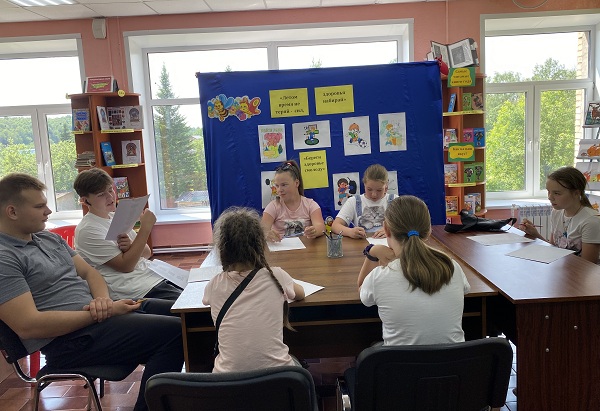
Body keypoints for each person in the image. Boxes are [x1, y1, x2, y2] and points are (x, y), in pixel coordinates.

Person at [0, 173, 183, 411]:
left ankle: (201, 392)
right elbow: (29, 326)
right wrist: (103, 312)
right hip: (70, 341)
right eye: (39, 206)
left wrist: (103, 301)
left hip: (98, 318)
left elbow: (89, 273)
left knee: (187, 314)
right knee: (176, 332)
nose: (48, 211)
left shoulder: (48, 239)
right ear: (12, 212)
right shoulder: (5, 258)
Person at [202, 207, 305, 372]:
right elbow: (300, 293)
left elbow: (205, 300)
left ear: (222, 249)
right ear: (261, 244)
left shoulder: (215, 284)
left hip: (227, 382)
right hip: (277, 379)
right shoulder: (276, 275)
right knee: (298, 366)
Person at [357, 195, 470, 345]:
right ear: (428, 230)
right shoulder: (451, 267)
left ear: (386, 229)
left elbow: (362, 291)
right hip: (454, 360)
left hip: (399, 361)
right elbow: (464, 290)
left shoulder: (379, 276)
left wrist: (371, 252)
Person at [73, 168, 181, 302]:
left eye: (110, 190)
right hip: (136, 288)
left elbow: (146, 252)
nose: (110, 197)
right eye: (101, 195)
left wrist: (131, 246)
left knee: (198, 291)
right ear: (85, 200)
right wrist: (145, 228)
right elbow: (126, 266)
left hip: (151, 276)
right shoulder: (88, 230)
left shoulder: (114, 216)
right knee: (193, 307)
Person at [520, 166, 600, 263]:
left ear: (576, 193)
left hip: (579, 271)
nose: (550, 197)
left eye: (557, 193)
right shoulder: (556, 212)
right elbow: (554, 248)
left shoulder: (591, 221)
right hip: (562, 268)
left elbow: (588, 265)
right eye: (548, 191)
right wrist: (535, 234)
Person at [262, 160, 325, 242]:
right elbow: (262, 230)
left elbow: (321, 227)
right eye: (277, 186)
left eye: (284, 185)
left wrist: (314, 231)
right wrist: (267, 234)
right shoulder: (273, 207)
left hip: (306, 248)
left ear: (296, 183)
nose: (279, 190)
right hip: (281, 248)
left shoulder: (310, 205)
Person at [331, 164, 396, 239]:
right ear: (364, 184)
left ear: (386, 187)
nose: (374, 195)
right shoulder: (354, 201)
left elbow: (407, 226)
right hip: (363, 245)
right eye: (369, 189)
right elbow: (335, 226)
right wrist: (350, 232)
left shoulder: (395, 201)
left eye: (379, 190)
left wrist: (392, 230)